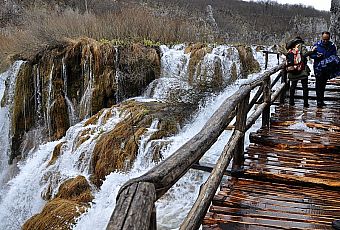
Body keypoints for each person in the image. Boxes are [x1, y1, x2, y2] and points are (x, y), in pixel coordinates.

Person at [310, 31, 337, 108]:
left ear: (329, 38)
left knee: (323, 84)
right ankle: (319, 101)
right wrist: (317, 56)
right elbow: (311, 55)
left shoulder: (332, 46)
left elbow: (334, 56)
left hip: (327, 68)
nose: (325, 41)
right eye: (324, 39)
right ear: (322, 37)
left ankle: (321, 100)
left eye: (327, 39)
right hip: (318, 68)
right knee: (318, 84)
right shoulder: (316, 45)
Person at [285, 36, 313, 107]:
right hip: (302, 69)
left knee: (293, 86)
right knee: (305, 87)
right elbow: (304, 54)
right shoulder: (301, 46)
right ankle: (305, 103)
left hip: (293, 69)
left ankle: (291, 102)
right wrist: (312, 51)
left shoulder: (291, 47)